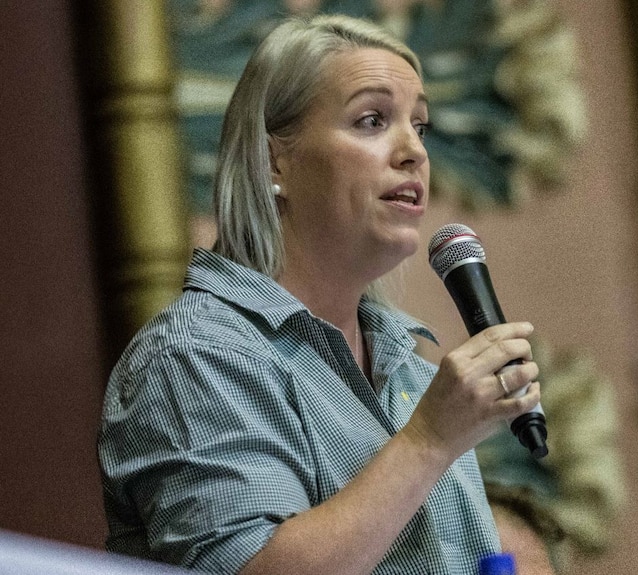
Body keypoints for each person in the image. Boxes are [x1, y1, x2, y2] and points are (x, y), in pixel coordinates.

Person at [98, 13, 542, 575]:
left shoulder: (408, 371)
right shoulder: (197, 355)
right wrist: (429, 441)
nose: (414, 151)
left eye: (420, 126)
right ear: (273, 161)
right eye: (372, 120)